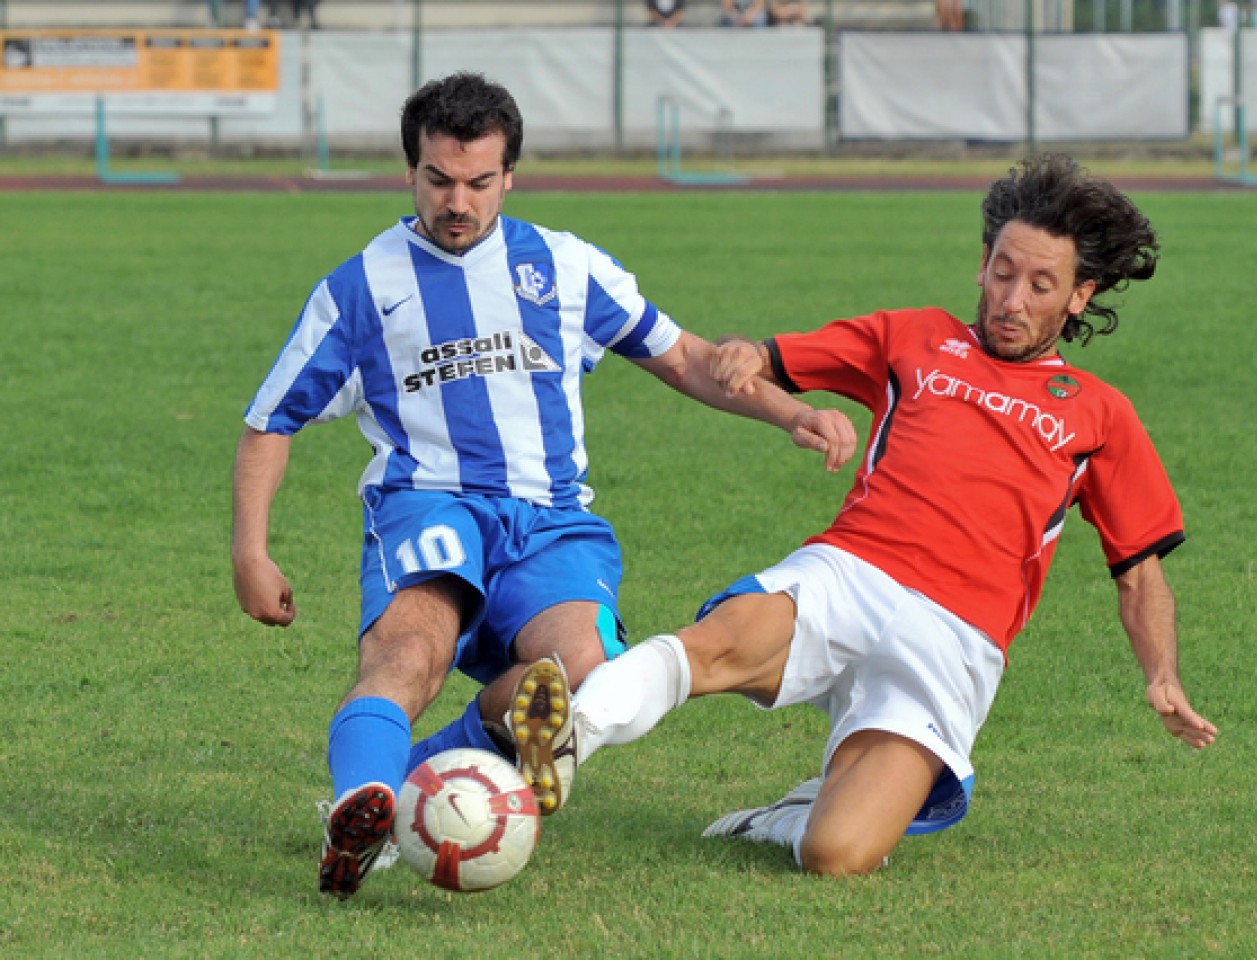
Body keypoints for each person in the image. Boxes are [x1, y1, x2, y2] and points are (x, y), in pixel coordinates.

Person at [231, 72, 853, 900]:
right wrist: (250, 551)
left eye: (478, 182)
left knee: (581, 678)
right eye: (438, 179)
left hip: (553, 525)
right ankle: (359, 813)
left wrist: (788, 413)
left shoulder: (564, 265)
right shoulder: (362, 287)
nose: (458, 201)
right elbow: (272, 420)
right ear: (410, 170)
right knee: (407, 654)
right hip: (430, 504)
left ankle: (411, 776)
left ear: (509, 175)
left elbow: (684, 358)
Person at [547, 153, 1218, 876]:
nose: (1012, 299)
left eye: (1040, 284)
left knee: (839, 853)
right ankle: (559, 740)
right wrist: (744, 354)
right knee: (719, 642)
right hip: (853, 571)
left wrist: (1163, 676)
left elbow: (1138, 573)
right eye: (1001, 272)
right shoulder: (914, 337)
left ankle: (779, 820)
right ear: (982, 265)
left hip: (957, 640)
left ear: (1080, 297)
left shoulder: (1101, 414)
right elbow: (771, 357)